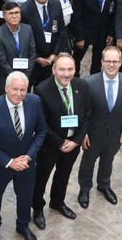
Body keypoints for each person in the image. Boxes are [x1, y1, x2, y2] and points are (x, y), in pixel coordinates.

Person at [0, 72, 47, 240]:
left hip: (26, 162)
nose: (19, 94)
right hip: (1, 164)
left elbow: (41, 131)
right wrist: (9, 162)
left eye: (23, 90)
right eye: (15, 89)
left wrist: (29, 156)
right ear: (6, 88)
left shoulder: (34, 101)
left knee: (26, 195)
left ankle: (23, 225)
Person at [32, 54, 88, 226]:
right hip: (50, 145)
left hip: (73, 144)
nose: (66, 73)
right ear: (54, 69)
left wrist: (76, 141)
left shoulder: (81, 85)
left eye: (70, 69)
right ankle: (38, 208)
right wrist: (60, 142)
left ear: (75, 69)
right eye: (62, 69)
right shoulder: (42, 89)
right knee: (41, 178)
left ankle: (57, 202)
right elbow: (41, 123)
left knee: (63, 175)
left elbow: (87, 115)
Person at [77, 46, 122, 207]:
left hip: (115, 133)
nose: (111, 65)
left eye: (115, 61)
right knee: (88, 162)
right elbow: (83, 112)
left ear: (121, 62)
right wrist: (84, 134)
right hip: (93, 133)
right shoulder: (88, 82)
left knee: (108, 161)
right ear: (101, 62)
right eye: (107, 61)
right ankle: (84, 189)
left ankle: (104, 185)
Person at [73, 0, 118, 74]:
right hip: (86, 31)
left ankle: (94, 81)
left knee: (98, 61)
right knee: (77, 59)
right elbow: (77, 15)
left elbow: (114, 13)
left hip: (103, 32)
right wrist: (79, 37)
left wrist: (111, 33)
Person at [21, 0, 67, 86]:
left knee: (44, 90)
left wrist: (55, 54)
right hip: (32, 60)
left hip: (50, 59)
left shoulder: (56, 4)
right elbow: (23, 38)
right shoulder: (24, 10)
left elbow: (61, 30)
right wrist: (36, 57)